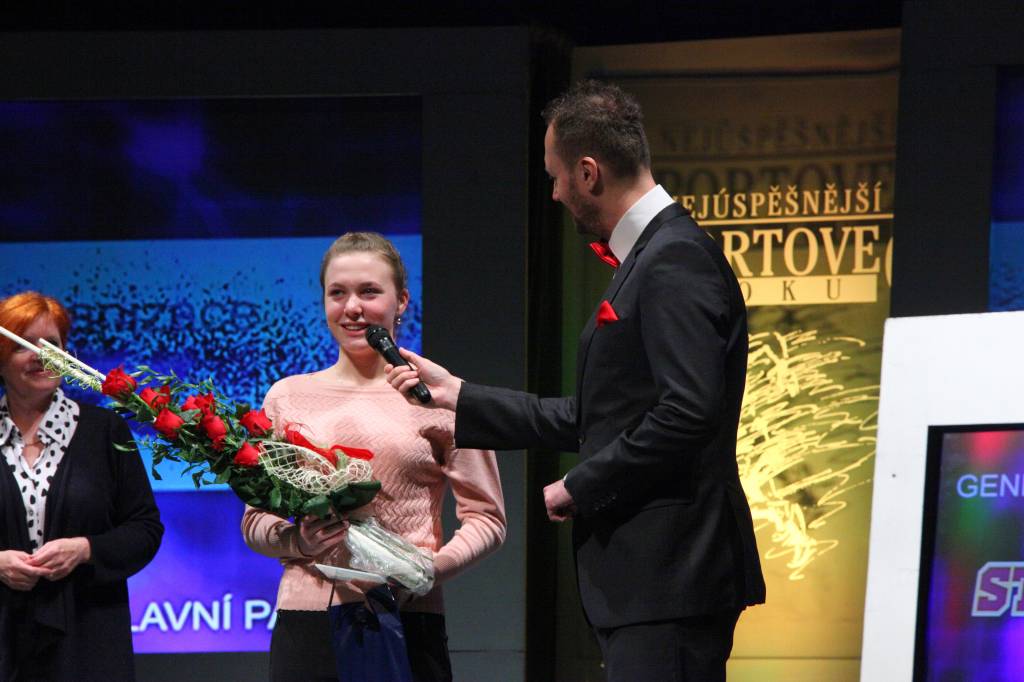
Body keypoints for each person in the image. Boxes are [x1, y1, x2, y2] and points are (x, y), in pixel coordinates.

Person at [385, 80, 766, 682]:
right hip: (654, 582)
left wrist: (581, 485)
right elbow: (599, 415)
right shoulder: (655, 255)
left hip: (673, 571)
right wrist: (460, 396)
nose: (556, 193)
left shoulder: (673, 258)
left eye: (556, 176)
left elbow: (689, 413)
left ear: (588, 173)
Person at [242, 232, 506, 682]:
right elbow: (255, 521)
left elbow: (487, 518)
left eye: (369, 292)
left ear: (401, 300)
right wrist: (300, 542)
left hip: (406, 619)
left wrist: (427, 572)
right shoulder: (287, 396)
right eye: (337, 293)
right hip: (308, 623)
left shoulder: (441, 396)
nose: (352, 308)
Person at [0, 291, 164, 681]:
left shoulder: (105, 431)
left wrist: (85, 549)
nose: (41, 356)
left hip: (89, 641)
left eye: (52, 344)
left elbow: (145, 529)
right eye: (24, 345)